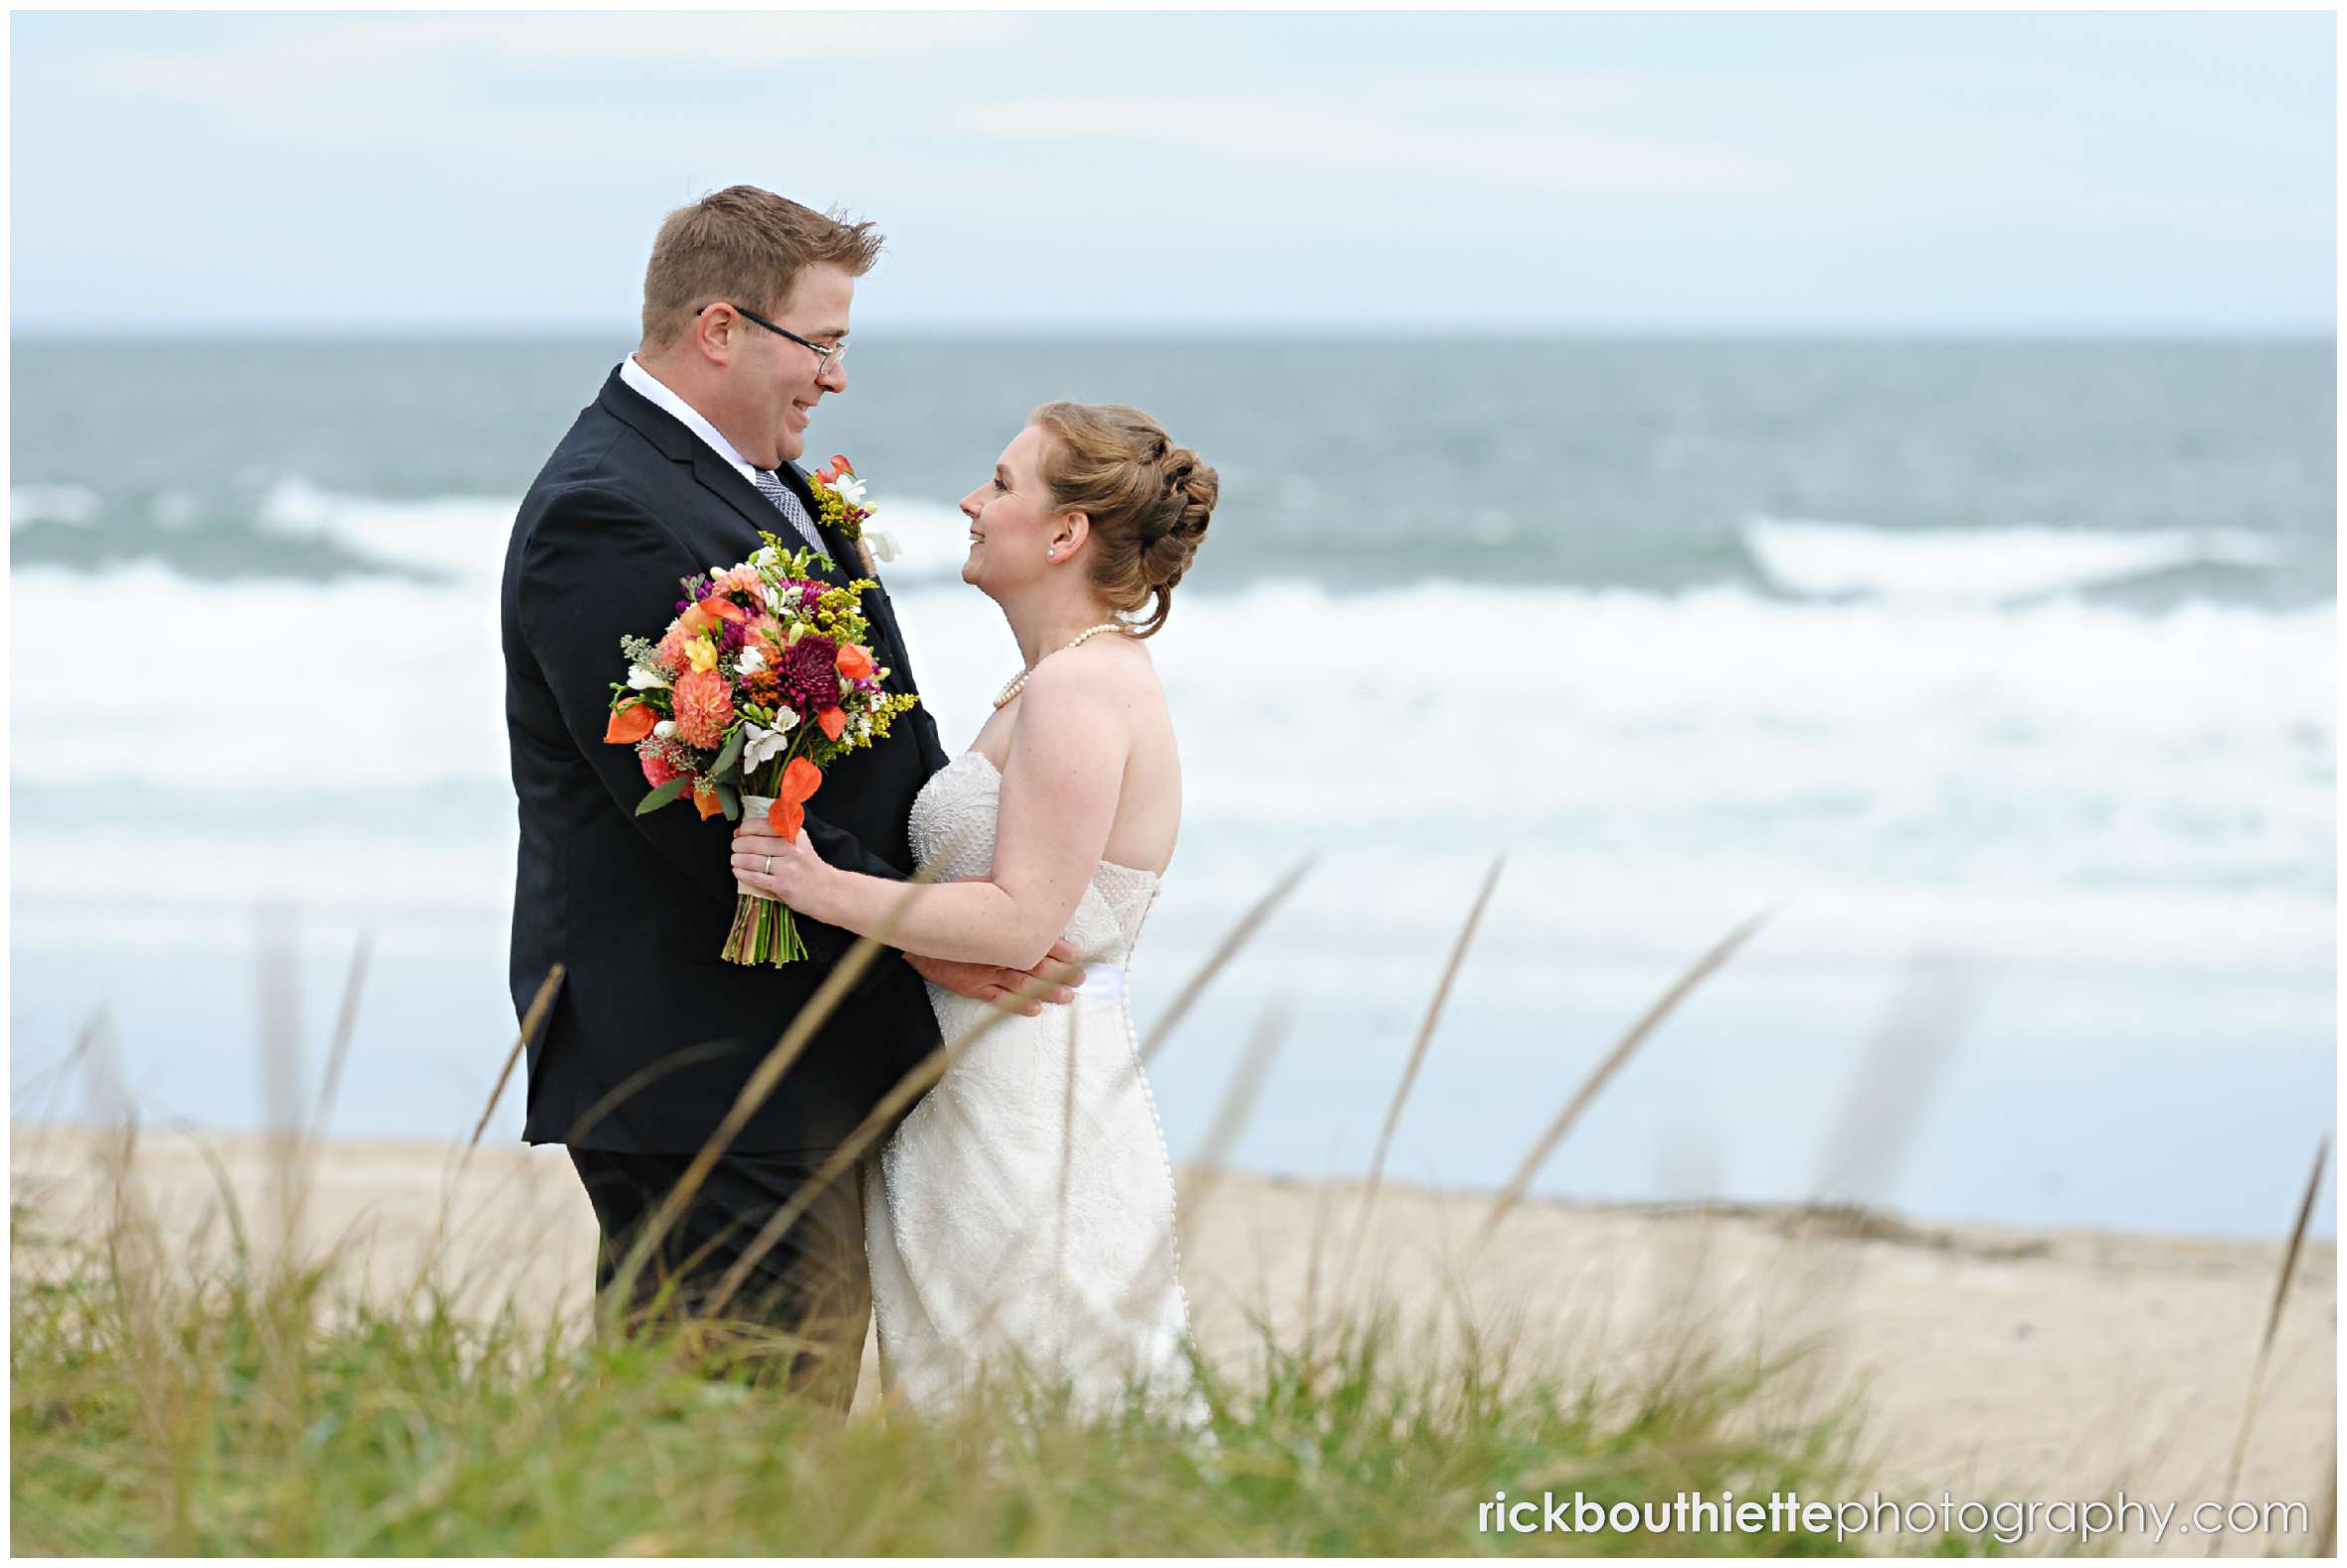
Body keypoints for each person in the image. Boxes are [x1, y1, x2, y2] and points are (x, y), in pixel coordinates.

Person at [499, 186, 1077, 1407]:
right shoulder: (603, 508)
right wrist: (911, 937)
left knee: (781, 1412)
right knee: (730, 1427)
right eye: (822, 344)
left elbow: (863, 737)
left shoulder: (767, 482)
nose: (835, 378)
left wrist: (955, 899)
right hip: (701, 1052)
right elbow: (692, 801)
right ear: (721, 329)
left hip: (790, 1041)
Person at [731, 402, 1216, 1412]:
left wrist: (816, 885)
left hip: (1024, 1108)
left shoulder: (1077, 690)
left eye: (1000, 483)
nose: (971, 501)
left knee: (1024, 1405)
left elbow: (1017, 920)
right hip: (983, 1090)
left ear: (1064, 532)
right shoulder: (1049, 680)